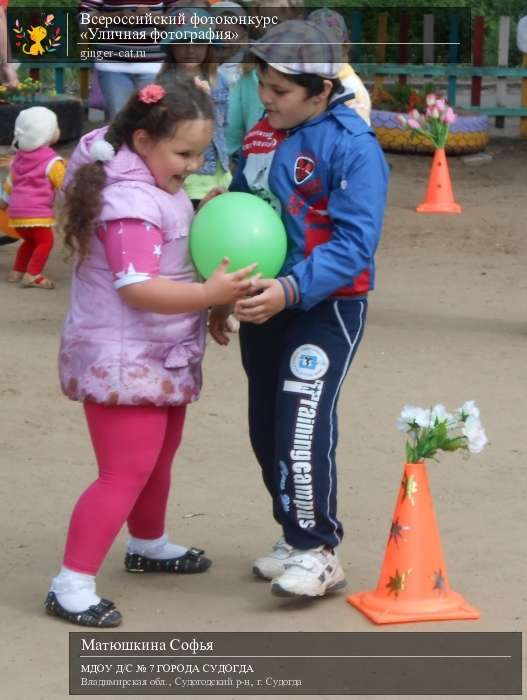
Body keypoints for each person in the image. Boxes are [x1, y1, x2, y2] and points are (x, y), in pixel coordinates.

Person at [45, 78, 255, 627]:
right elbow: (137, 285)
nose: (191, 163)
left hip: (157, 354)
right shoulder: (130, 201)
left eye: (199, 154)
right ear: (142, 141)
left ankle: (148, 542)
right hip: (123, 359)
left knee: (156, 460)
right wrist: (211, 295)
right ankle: (70, 583)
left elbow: (174, 256)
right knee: (124, 471)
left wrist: (199, 215)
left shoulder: (152, 187)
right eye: (182, 153)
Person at [209, 20, 389, 598]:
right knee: (266, 425)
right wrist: (221, 292)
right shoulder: (263, 134)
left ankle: (319, 550)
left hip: (326, 305)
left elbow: (354, 244)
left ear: (321, 90)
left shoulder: (354, 147)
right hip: (263, 302)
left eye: (280, 91)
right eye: (262, 85)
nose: (266, 99)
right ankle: (293, 536)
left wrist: (292, 288)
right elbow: (242, 209)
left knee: (301, 424)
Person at [158, 8, 231, 208]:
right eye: (182, 42)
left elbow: (224, 125)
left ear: (209, 46)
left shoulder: (220, 80)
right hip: (185, 172)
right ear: (171, 46)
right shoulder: (164, 85)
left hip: (218, 169)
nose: (190, 49)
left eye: (198, 43)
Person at [0, 106, 64, 289]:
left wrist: (4, 203)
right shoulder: (52, 161)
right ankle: (33, 275)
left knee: (30, 241)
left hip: (16, 213)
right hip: (37, 213)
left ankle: (17, 271)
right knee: (46, 242)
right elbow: (64, 184)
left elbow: (9, 183)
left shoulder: (18, 159)